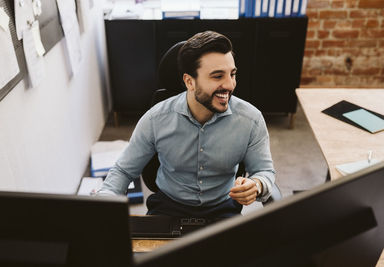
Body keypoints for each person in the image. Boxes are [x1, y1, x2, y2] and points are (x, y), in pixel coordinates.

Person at [98, 31, 275, 218]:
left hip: (223, 207)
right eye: (217, 76)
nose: (230, 85)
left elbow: (264, 170)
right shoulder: (155, 119)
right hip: (168, 207)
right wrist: (104, 201)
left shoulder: (251, 120)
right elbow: (124, 170)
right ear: (189, 81)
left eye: (232, 74)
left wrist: (257, 185)